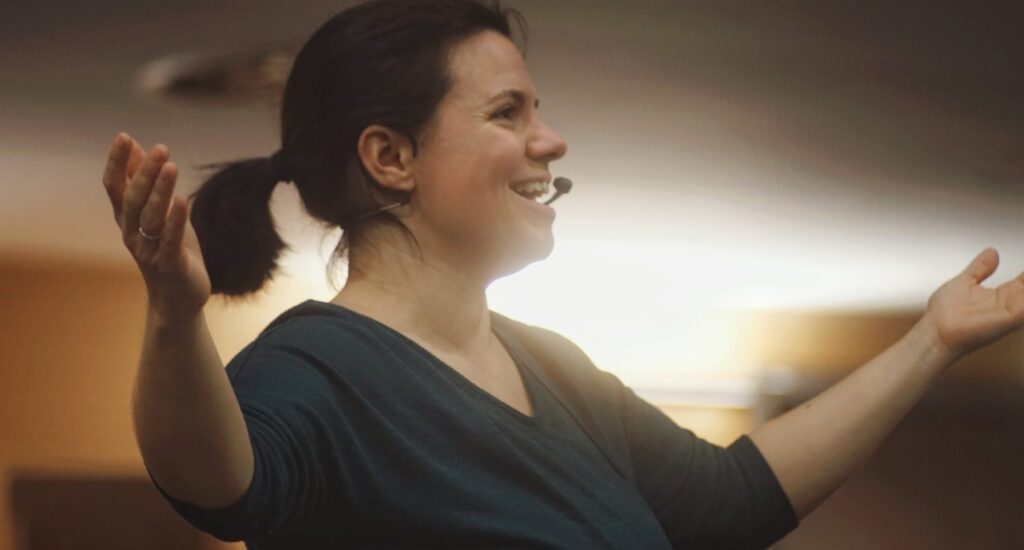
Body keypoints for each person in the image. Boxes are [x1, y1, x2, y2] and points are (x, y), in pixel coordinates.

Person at [101, 0, 1024, 548]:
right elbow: (216, 484)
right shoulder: (322, 369)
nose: (551, 139)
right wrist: (174, 319)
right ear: (391, 157)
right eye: (508, 112)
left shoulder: (552, 366)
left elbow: (733, 501)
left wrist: (930, 342)